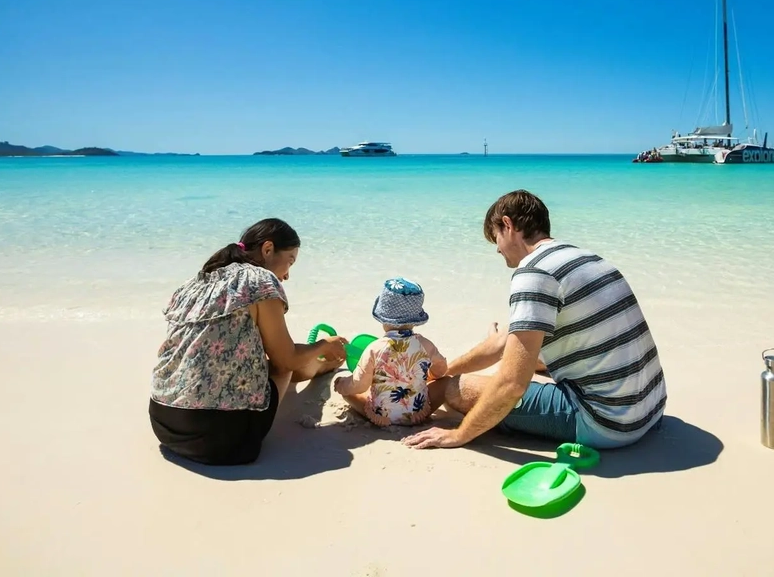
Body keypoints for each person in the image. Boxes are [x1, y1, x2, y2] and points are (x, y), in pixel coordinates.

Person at [403, 190, 667, 451]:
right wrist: (442, 369)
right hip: (649, 408)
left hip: (607, 423)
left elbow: (512, 384)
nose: (497, 249)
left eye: (495, 238)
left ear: (507, 225)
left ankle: (391, 408)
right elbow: (501, 344)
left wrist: (458, 434)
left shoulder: (534, 272)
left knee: (454, 390)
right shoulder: (586, 258)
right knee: (531, 359)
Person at [149, 218, 348, 465]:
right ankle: (322, 365)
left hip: (164, 423)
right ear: (267, 249)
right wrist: (324, 344)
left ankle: (320, 367)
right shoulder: (260, 281)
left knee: (260, 361)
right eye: (290, 261)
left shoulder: (195, 282)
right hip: (217, 438)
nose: (287, 275)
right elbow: (285, 360)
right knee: (280, 363)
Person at [334, 278, 447, 426]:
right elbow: (441, 370)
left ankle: (348, 391)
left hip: (381, 416)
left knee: (350, 393)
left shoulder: (374, 349)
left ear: (383, 319)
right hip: (417, 413)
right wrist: (430, 376)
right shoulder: (426, 345)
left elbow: (359, 385)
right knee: (446, 382)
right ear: (415, 320)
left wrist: (342, 384)